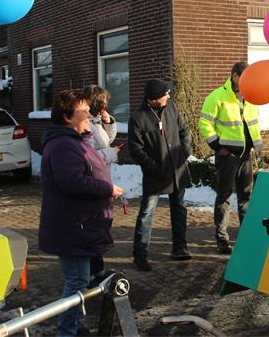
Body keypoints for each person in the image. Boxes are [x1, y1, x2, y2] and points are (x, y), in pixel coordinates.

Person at [38, 90, 123, 337]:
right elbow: (72, 182)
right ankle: (67, 332)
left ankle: (73, 327)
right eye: (83, 111)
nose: (89, 115)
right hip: (72, 227)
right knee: (76, 282)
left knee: (80, 281)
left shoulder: (75, 141)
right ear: (67, 117)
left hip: (79, 224)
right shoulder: (64, 145)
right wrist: (107, 188)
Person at [198, 62, 263, 255]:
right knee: (224, 196)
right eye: (244, 78)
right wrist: (218, 147)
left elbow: (254, 124)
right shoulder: (217, 96)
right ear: (234, 76)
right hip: (228, 157)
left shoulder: (251, 97)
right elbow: (204, 123)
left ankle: (246, 237)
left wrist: (257, 144)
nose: (248, 82)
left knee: (246, 197)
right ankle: (222, 240)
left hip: (245, 155)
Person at [128, 79, 193, 270]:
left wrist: (185, 151)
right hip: (155, 175)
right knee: (146, 213)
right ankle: (140, 254)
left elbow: (184, 129)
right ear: (154, 98)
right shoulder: (138, 118)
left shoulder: (171, 107)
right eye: (165, 94)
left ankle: (180, 247)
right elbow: (136, 149)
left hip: (177, 169)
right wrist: (153, 166)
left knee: (179, 208)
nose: (168, 96)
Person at [82, 85, 122, 279]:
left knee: (101, 226)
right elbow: (87, 156)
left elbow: (106, 140)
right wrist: (110, 153)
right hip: (93, 182)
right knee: (95, 227)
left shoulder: (95, 120)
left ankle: (96, 270)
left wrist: (109, 122)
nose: (106, 105)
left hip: (102, 178)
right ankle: (92, 273)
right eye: (104, 102)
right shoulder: (84, 123)